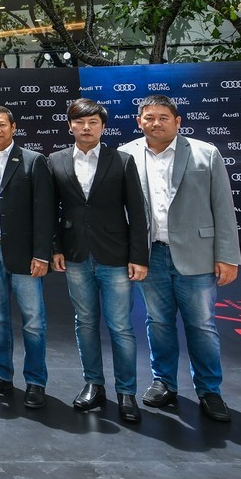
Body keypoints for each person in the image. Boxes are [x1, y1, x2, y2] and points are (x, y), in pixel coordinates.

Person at [119, 94, 241, 422]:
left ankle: (209, 390)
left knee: (201, 325)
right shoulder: (125, 155)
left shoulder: (205, 153)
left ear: (177, 121)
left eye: (163, 117)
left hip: (197, 255)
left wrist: (228, 256)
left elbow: (223, 207)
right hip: (150, 255)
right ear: (139, 122)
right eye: (149, 117)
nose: (155, 123)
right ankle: (164, 382)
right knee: (158, 323)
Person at [49, 98, 148, 423]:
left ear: (103, 127)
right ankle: (94, 384)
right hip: (76, 256)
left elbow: (137, 212)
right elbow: (50, 210)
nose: (86, 127)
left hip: (115, 256)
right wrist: (55, 248)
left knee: (120, 327)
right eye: (80, 122)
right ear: (70, 126)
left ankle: (126, 392)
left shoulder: (122, 160)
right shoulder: (56, 160)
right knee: (85, 322)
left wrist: (138, 257)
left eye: (93, 122)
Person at [0, 105, 54, 409]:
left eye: (2, 124)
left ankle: (35, 381)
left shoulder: (33, 160)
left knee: (33, 320)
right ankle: (0, 375)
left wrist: (41, 254)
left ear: (14, 127)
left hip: (25, 254)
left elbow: (44, 211)